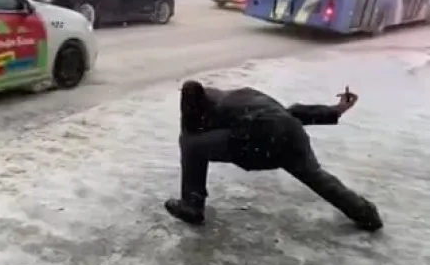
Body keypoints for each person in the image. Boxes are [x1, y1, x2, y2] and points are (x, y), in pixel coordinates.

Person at [164, 80, 383, 232]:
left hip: (261, 141)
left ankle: (192, 206)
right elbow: (290, 112)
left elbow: (192, 134)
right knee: (315, 177)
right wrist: (337, 109)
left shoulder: (215, 111)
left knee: (191, 144)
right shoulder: (243, 95)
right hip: (291, 134)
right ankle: (366, 214)